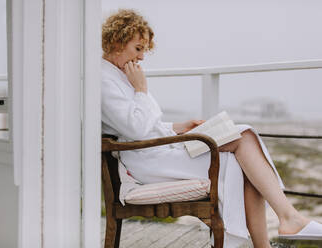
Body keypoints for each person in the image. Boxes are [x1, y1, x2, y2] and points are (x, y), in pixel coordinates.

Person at [101, 9, 322, 248]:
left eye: (145, 49)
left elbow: (147, 125)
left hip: (158, 150)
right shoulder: (104, 81)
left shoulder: (122, 75)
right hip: (148, 162)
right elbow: (136, 129)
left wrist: (179, 127)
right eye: (138, 48)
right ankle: (287, 219)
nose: (142, 57)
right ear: (117, 41)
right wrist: (141, 90)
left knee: (244, 143)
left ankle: (278, 229)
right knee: (243, 139)